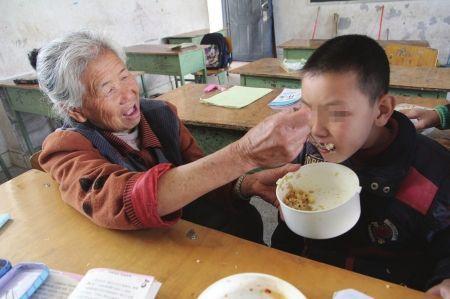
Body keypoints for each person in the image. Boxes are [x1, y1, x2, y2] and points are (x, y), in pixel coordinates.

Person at [36, 31, 311, 244]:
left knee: (244, 219)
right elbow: (122, 200)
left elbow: (199, 172)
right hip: (141, 254)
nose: (128, 93)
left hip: (185, 235)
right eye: (108, 90)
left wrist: (245, 183)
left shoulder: (161, 115)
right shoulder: (66, 148)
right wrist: (244, 155)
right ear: (75, 110)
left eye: (125, 76)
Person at [270, 34, 450, 296]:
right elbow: (288, 241)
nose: (316, 130)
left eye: (337, 114)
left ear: (382, 110)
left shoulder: (434, 172)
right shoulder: (309, 152)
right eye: (308, 110)